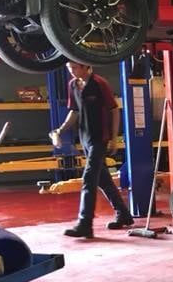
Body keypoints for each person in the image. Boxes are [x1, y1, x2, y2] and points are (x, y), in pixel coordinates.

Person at [54, 62, 134, 238]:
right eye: (69, 69)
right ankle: (124, 214)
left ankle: (85, 223)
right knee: (103, 180)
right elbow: (74, 111)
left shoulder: (99, 83)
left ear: (85, 67)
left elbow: (114, 110)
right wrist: (60, 130)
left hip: (100, 138)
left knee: (89, 178)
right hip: (85, 139)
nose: (72, 72)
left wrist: (113, 139)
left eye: (74, 68)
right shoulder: (73, 85)